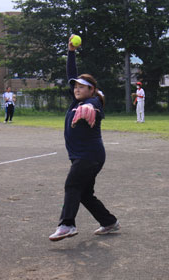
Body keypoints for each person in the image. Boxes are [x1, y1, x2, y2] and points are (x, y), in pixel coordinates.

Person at [49, 35, 120, 241]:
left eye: (82, 86)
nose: (77, 89)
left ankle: (67, 225)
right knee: (85, 194)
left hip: (89, 156)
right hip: (82, 156)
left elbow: (95, 106)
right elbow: (72, 74)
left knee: (72, 186)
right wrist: (71, 52)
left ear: (92, 90)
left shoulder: (93, 102)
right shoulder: (75, 101)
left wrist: (89, 106)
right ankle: (109, 222)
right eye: (76, 86)